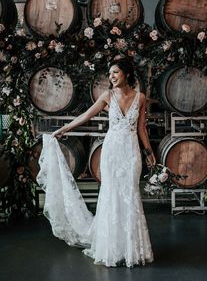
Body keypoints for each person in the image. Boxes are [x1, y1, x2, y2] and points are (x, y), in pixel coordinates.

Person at [38, 58, 156, 268]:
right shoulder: (107, 95)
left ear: (127, 74)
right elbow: (85, 115)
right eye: (110, 73)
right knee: (111, 195)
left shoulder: (141, 98)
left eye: (115, 73)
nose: (111, 77)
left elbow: (142, 129)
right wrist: (63, 129)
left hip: (131, 152)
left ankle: (131, 249)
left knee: (130, 195)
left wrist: (149, 152)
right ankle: (111, 249)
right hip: (111, 152)